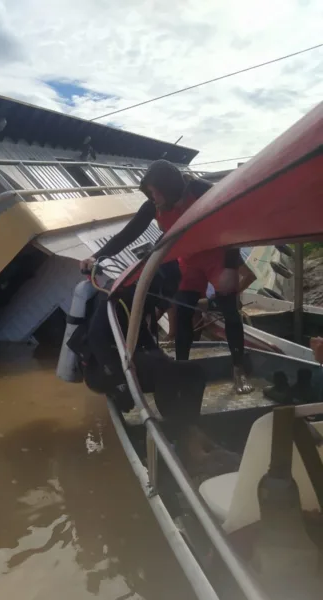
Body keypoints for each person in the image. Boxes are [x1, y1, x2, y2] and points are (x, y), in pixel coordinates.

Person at [80, 160, 253, 393]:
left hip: (216, 257)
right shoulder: (153, 206)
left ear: (169, 188)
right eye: (149, 193)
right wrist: (97, 257)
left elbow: (233, 220)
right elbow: (127, 235)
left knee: (229, 310)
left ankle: (238, 370)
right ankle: (181, 370)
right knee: (183, 314)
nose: (152, 198)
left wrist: (232, 267)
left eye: (154, 192)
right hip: (188, 261)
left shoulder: (201, 190)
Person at [69, 277, 237, 472]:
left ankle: (189, 431)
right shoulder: (123, 299)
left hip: (124, 364)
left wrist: (165, 360)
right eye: (166, 293)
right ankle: (185, 440)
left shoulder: (141, 301)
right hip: (101, 371)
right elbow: (96, 339)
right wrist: (120, 385)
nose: (167, 301)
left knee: (194, 372)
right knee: (165, 373)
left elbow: (144, 338)